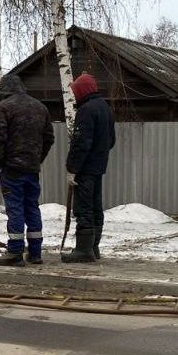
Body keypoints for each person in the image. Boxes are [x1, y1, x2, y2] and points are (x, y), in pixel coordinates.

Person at [0, 74, 55, 267]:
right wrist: (37, 159)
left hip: (11, 168)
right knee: (32, 207)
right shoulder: (40, 107)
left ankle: (15, 252)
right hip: (32, 168)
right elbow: (49, 138)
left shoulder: (3, 108)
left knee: (15, 208)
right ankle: (35, 253)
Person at [62, 73, 116, 263]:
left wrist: (72, 168)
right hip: (99, 167)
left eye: (75, 91)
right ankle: (93, 247)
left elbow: (80, 143)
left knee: (83, 207)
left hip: (85, 169)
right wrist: (99, 157)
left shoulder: (86, 110)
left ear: (82, 91)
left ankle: (83, 250)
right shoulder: (105, 108)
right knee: (95, 207)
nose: (75, 95)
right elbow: (111, 140)